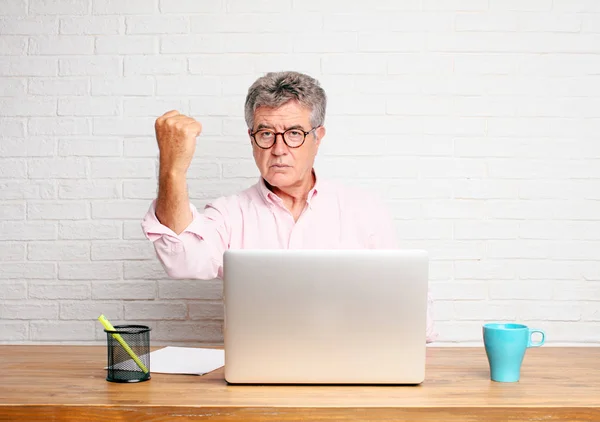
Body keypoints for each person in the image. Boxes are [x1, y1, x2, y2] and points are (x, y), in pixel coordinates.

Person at [142, 71, 435, 342]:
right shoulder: (229, 214)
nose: (279, 149)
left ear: (317, 137)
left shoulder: (364, 211)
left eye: (294, 133)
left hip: (347, 365)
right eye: (266, 134)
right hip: (257, 372)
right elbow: (182, 261)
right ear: (252, 139)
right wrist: (172, 169)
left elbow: (409, 310)